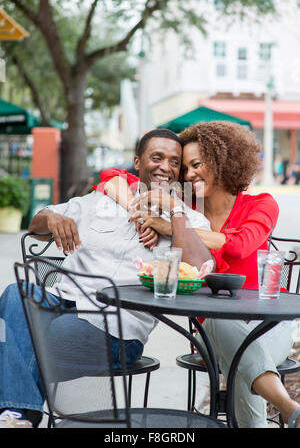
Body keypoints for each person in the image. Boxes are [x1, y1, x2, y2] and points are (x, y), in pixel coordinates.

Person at [0, 128, 212, 429]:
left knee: (15, 337)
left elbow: (202, 268)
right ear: (137, 163)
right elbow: (36, 224)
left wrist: (175, 213)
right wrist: (52, 217)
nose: (165, 167)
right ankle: (17, 418)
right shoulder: (100, 201)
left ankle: (19, 415)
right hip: (61, 301)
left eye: (174, 162)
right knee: (15, 293)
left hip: (115, 328)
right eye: (157, 157)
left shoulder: (190, 219)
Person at [99, 121, 300, 428]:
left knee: (245, 357)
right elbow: (111, 177)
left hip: (267, 322)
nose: (189, 174)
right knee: (222, 325)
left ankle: (286, 408)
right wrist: (141, 215)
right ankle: (288, 407)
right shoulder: (188, 205)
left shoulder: (260, 205)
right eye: (186, 169)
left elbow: (238, 247)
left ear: (222, 162)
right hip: (210, 329)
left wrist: (171, 225)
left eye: (197, 165)